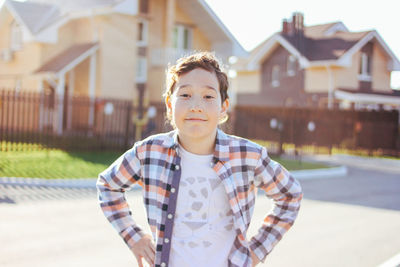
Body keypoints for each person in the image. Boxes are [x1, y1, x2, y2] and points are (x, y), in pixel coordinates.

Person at [97, 52, 303, 267]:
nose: (196, 105)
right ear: (169, 104)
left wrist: (255, 252)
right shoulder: (149, 152)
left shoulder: (247, 156)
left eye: (208, 96)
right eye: (185, 95)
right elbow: (107, 185)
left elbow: (290, 195)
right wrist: (134, 237)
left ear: (223, 107)